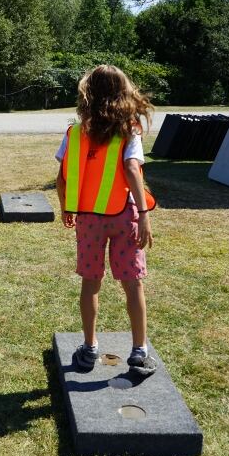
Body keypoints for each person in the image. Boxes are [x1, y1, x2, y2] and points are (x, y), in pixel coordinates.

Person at [55, 65, 158, 376]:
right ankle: (139, 352)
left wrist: (65, 207)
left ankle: (89, 349)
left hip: (88, 219)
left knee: (91, 283)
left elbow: (61, 177)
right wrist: (143, 215)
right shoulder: (130, 129)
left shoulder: (75, 132)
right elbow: (130, 169)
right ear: (123, 93)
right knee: (132, 284)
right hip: (124, 216)